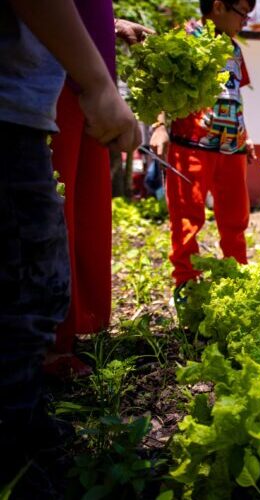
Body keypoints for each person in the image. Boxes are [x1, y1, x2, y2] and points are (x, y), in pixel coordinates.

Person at [0, 0, 140, 494]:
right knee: (29, 290)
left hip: (21, 108)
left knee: (31, 279)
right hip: (11, 113)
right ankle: (15, 461)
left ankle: (25, 423)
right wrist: (100, 83)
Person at [45, 5, 153, 379]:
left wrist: (112, 25)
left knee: (82, 210)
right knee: (55, 211)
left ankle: (67, 331)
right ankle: (46, 343)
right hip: (59, 78)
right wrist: (97, 84)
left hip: (85, 81)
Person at [150, 0, 257, 300]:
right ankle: (187, 286)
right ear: (219, 6)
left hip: (232, 148)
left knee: (236, 220)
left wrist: (245, 135)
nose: (245, 22)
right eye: (242, 14)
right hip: (191, 146)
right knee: (186, 219)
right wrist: (159, 126)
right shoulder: (184, 37)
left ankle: (237, 283)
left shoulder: (234, 50)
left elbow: (234, 95)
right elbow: (162, 84)